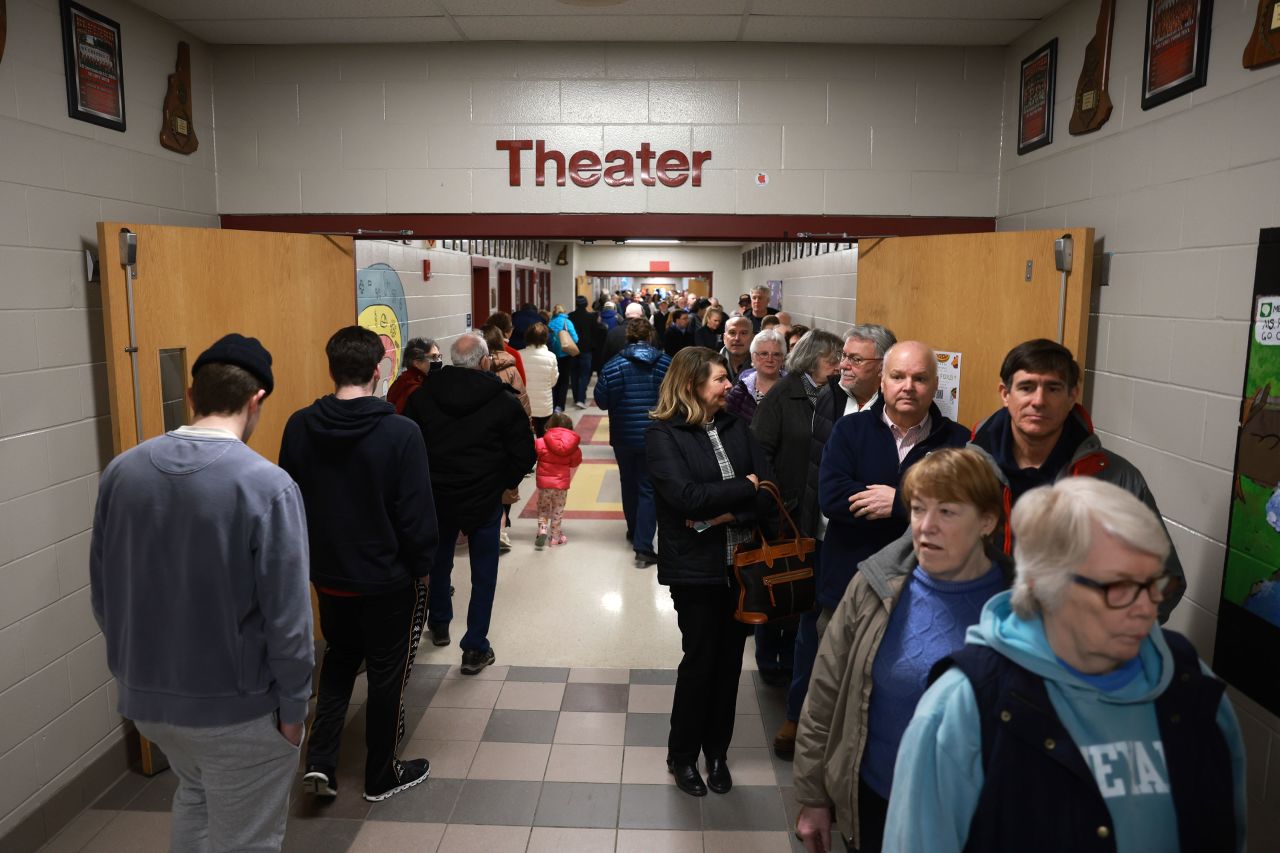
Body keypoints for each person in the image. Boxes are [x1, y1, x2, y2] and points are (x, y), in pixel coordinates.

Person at [883, 478, 1247, 853]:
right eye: (1118, 587)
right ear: (1044, 586)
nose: (1147, 607)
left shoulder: (1193, 688)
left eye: (1154, 583)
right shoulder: (963, 708)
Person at [90, 334, 312, 852]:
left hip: (149, 703)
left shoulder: (122, 473)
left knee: (196, 796)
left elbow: (104, 592)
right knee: (247, 837)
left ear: (192, 396)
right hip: (237, 709)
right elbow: (288, 619)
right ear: (257, 400)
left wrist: (136, 671)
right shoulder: (267, 485)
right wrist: (295, 708)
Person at [793, 449, 1011, 853]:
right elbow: (824, 695)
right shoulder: (875, 586)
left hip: (981, 818)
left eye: (947, 512)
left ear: (987, 521)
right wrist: (813, 797)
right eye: (917, 509)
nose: (926, 527)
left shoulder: (1021, 606)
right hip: (878, 804)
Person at [278, 326, 437, 803]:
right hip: (389, 579)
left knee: (339, 661)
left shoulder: (299, 425)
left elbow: (290, 500)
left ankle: (322, 762)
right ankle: (381, 773)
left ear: (331, 370)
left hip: (329, 576)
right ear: (377, 371)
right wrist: (422, 565)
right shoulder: (400, 432)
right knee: (388, 673)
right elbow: (415, 513)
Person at [968, 339, 1186, 620]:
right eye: (1026, 387)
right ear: (1005, 393)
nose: (1038, 400)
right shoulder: (966, 471)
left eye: (1053, 388)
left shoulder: (1115, 479)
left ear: (1073, 395)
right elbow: (917, 555)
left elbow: (1164, 579)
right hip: (979, 635)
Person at [646, 347, 774, 798]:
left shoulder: (739, 427)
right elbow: (685, 498)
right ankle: (682, 754)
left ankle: (716, 752)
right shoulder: (663, 435)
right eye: (720, 379)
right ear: (690, 385)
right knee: (700, 662)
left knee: (729, 665)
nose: (729, 386)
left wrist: (728, 513)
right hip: (695, 571)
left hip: (741, 569)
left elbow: (768, 491)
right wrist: (742, 490)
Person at [784, 325, 897, 758]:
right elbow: (824, 477)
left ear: (882, 368)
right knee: (811, 633)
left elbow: (889, 491)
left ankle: (845, 733)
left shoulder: (893, 415)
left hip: (871, 544)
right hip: (822, 532)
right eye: (843, 357)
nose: (842, 366)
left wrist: (890, 502)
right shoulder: (830, 397)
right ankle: (798, 716)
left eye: (854, 360)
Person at [402, 332, 536, 674]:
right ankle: (475, 647)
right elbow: (524, 453)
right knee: (484, 572)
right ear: (483, 361)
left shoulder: (422, 397)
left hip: (438, 497)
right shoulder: (504, 401)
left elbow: (411, 449)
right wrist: (502, 484)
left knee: (439, 562)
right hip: (484, 499)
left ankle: (441, 623)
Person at [750, 329, 843, 689]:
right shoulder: (782, 396)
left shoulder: (833, 397)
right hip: (786, 512)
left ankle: (793, 660)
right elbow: (759, 454)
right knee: (778, 587)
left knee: (803, 593)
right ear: (812, 360)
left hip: (818, 514)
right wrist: (776, 505)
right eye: (833, 359)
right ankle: (768, 659)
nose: (838, 367)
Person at [595, 317, 671, 566]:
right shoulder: (666, 364)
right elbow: (677, 398)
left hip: (624, 437)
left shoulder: (612, 366)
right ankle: (644, 545)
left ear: (628, 337)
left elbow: (602, 401)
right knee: (648, 487)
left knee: (628, 483)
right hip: (655, 436)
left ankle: (633, 529)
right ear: (650, 337)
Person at [483, 325, 532, 553]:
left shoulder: (476, 368)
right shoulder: (511, 367)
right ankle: (502, 524)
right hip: (508, 431)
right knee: (506, 476)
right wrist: (526, 426)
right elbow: (522, 399)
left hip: (483, 431)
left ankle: (490, 523)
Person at [534, 412, 583, 548]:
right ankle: (555, 537)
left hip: (544, 485)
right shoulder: (573, 446)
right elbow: (575, 462)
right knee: (558, 510)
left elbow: (534, 455)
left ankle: (542, 528)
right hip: (561, 485)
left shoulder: (541, 442)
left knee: (543, 508)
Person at [724, 328, 787, 424]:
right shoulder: (739, 393)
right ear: (753, 357)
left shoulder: (795, 389)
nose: (770, 359)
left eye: (776, 354)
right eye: (764, 354)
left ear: (782, 358)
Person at [522, 322, 559, 437]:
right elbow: (553, 381)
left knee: (524, 435)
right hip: (544, 404)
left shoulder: (519, 355)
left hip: (524, 405)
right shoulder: (551, 356)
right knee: (543, 435)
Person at [385, 337, 440, 414]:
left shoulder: (399, 383)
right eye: (433, 357)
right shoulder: (419, 391)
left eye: (439, 356)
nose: (439, 361)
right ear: (417, 362)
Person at [569, 295, 604, 410]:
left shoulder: (570, 316)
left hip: (573, 349)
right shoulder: (591, 317)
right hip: (587, 350)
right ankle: (580, 399)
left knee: (574, 374)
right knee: (584, 375)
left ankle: (575, 398)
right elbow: (595, 333)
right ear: (586, 304)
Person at [547, 303, 579, 412]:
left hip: (553, 355)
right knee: (564, 381)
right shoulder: (567, 322)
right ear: (563, 312)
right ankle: (560, 406)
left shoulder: (550, 323)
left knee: (554, 380)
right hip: (565, 355)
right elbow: (575, 338)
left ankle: (553, 403)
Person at [484, 311, 526, 383]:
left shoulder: (480, 350)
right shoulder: (513, 354)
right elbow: (521, 382)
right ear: (506, 331)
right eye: (511, 327)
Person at [602, 301, 646, 366]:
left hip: (617, 370)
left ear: (625, 314)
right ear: (642, 315)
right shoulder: (648, 332)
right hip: (643, 371)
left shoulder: (613, 333)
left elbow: (606, 356)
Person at [719, 314, 754, 384]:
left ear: (752, 338)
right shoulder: (711, 366)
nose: (737, 338)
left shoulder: (762, 367)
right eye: (732, 333)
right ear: (724, 338)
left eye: (743, 333)